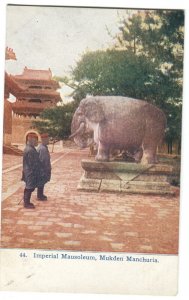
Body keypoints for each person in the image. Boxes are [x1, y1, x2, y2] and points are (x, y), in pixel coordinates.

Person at [22, 133, 40, 209]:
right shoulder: (30, 150)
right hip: (30, 172)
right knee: (29, 187)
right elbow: (32, 163)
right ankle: (26, 203)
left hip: (29, 171)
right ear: (32, 140)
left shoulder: (30, 148)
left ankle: (27, 201)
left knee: (29, 187)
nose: (37, 142)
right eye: (36, 140)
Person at [37, 133, 51, 201]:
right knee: (41, 181)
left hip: (42, 169)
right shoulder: (42, 149)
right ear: (44, 140)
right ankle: (40, 196)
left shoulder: (44, 147)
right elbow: (43, 161)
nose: (49, 140)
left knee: (42, 182)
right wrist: (46, 169)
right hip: (42, 169)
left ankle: (40, 194)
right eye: (47, 139)